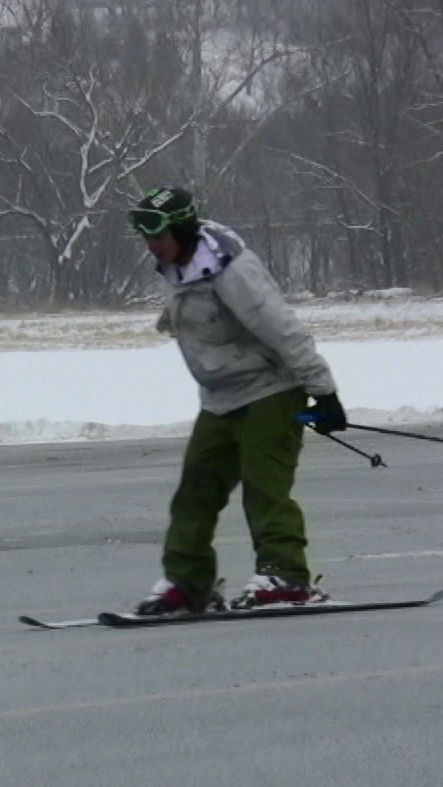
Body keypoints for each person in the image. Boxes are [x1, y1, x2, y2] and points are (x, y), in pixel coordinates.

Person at [127, 186, 348, 616]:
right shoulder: (177, 265)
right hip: (220, 397)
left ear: (182, 228)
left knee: (265, 488)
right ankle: (187, 583)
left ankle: (285, 577)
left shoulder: (232, 270)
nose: (150, 245)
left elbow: (284, 329)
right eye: (145, 237)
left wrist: (324, 393)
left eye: (157, 235)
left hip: (271, 390)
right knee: (195, 492)